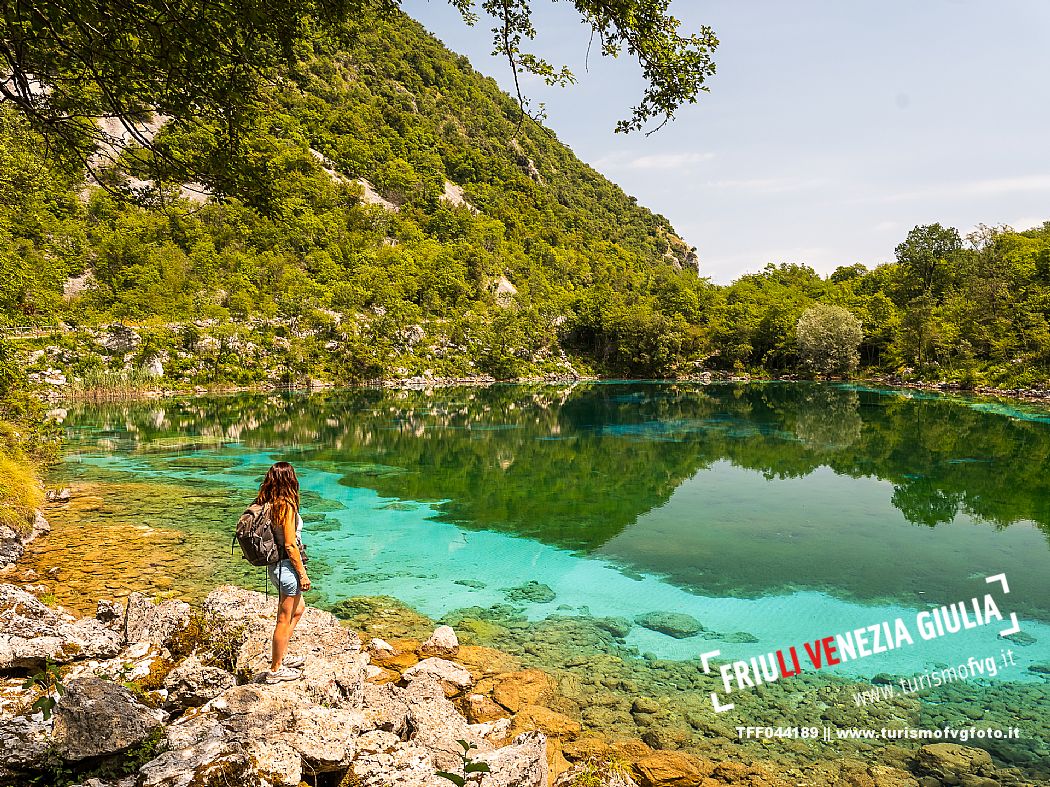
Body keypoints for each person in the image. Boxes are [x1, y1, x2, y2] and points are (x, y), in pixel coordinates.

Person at [255, 461, 312, 683]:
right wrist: (303, 574)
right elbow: (290, 544)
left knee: (298, 610)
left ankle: (281, 654)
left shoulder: (267, 503)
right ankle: (276, 669)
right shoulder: (285, 506)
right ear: (290, 480)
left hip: (275, 566)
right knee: (283, 618)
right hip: (286, 568)